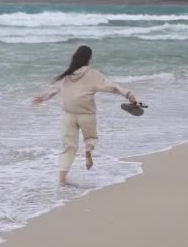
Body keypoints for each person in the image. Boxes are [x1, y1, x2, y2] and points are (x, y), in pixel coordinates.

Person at [33, 45, 138, 187]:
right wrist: (128, 94)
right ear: (89, 58)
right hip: (86, 115)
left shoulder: (68, 75)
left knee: (68, 147)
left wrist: (41, 98)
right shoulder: (92, 74)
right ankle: (88, 149)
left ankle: (62, 181)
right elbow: (111, 86)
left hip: (68, 116)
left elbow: (54, 89)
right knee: (91, 138)